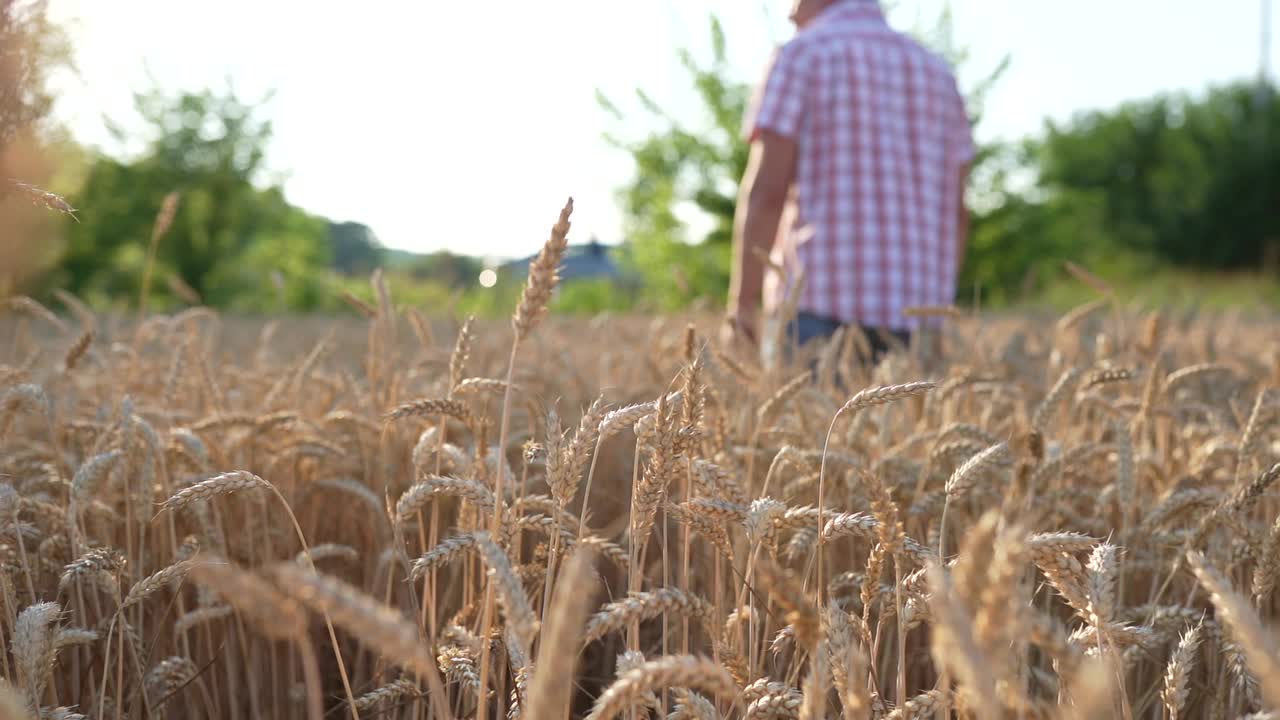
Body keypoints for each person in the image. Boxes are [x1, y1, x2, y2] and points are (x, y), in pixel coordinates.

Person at [723, 0, 974, 365]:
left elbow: (767, 193)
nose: (787, 9)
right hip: (918, 319)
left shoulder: (801, 57)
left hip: (816, 310)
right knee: (912, 424)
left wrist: (742, 308)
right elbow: (957, 212)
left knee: (810, 424)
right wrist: (937, 301)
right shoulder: (937, 73)